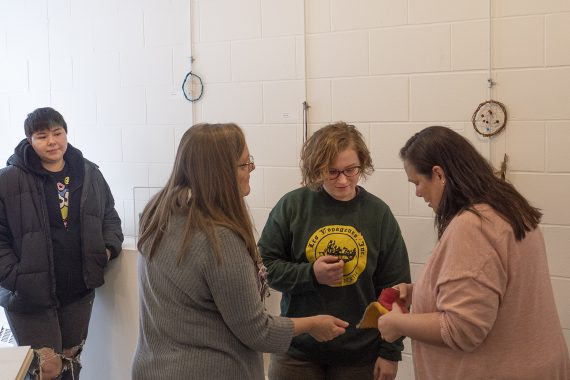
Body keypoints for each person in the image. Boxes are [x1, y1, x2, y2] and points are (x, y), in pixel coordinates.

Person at [131, 123, 348, 380]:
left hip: (153, 368)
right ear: (220, 172)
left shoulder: (157, 216)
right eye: (245, 164)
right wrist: (312, 324)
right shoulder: (219, 238)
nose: (250, 170)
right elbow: (258, 331)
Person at [378, 126, 570, 379]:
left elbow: (462, 328)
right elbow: (489, 288)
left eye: (418, 182)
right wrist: (421, 292)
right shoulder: (507, 206)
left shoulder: (473, 225)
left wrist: (396, 324)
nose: (418, 192)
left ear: (438, 174)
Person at [258, 122, 411, 380]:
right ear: (316, 168)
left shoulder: (378, 214)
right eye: (332, 171)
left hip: (359, 354)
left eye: (351, 170)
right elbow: (264, 269)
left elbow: (395, 288)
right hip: (297, 351)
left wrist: (390, 351)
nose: (343, 180)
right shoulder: (293, 206)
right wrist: (311, 274)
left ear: (362, 163)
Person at [0, 107, 124, 379]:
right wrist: (15, 277)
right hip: (29, 295)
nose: (52, 141)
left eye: (57, 133)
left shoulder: (89, 173)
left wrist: (104, 251)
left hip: (77, 289)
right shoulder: (8, 180)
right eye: (42, 136)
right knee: (47, 368)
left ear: (66, 134)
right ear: (29, 140)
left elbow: (109, 217)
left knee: (70, 361)